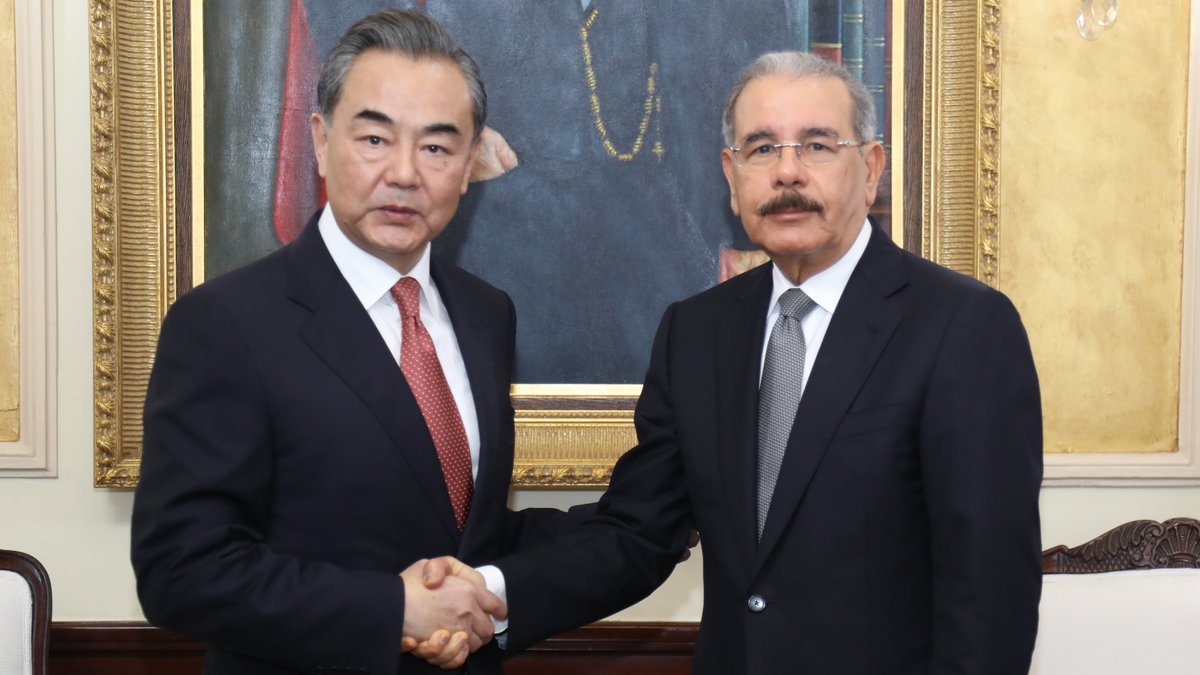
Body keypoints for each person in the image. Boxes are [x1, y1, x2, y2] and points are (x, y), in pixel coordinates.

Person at [414, 50, 1044, 673]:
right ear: (731, 175)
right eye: (762, 148)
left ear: (871, 168)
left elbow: (990, 593)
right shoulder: (697, 332)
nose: (788, 172)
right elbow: (638, 530)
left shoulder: (962, 326)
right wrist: (487, 592)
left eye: (818, 145)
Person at [130, 10, 582, 674]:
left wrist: (654, 513)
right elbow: (181, 570)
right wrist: (392, 610)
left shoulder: (487, 314)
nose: (404, 173)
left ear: (470, 164)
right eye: (374, 138)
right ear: (319, 141)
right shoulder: (224, 322)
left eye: (436, 148)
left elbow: (463, 526)